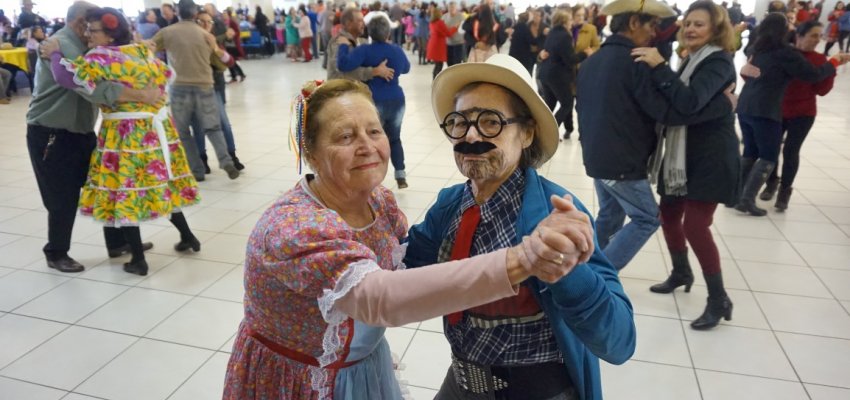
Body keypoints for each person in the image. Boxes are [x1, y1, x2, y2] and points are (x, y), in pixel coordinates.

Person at [222, 78, 593, 399]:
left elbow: (410, 262)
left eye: (374, 131)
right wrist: (522, 259)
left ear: (526, 133)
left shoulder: (378, 201)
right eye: (345, 137)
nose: (367, 146)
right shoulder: (293, 227)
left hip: (363, 367)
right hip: (304, 380)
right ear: (312, 154)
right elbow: (381, 297)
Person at [405, 54, 635, 400]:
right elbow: (401, 271)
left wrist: (567, 271)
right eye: (459, 122)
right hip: (461, 385)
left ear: (526, 133)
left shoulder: (556, 214)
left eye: (490, 122)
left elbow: (620, 340)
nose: (470, 135)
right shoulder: (450, 206)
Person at [576, 0, 737, 271]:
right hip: (623, 163)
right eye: (651, 25)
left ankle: (581, 270)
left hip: (595, 157)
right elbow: (672, 113)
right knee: (647, 218)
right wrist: (724, 104)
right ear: (633, 23)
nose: (654, 33)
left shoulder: (592, 61)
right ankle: (598, 278)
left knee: (610, 215)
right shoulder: (638, 62)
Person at [43, 7, 202, 276]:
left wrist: (55, 54)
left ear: (110, 35)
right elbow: (164, 78)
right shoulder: (140, 51)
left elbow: (66, 77)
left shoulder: (100, 56)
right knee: (161, 183)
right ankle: (188, 237)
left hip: (124, 132)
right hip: (155, 130)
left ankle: (138, 259)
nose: (88, 35)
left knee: (125, 190)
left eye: (93, 30)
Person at [26, 1, 160, 273]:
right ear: (80, 23)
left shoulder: (85, 46)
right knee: (62, 197)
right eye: (93, 26)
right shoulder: (63, 44)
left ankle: (118, 242)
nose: (94, 31)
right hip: (52, 133)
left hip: (81, 132)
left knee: (106, 186)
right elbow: (91, 86)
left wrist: (139, 49)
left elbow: (115, 63)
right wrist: (140, 95)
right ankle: (56, 252)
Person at [632, 0, 740, 330]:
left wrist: (660, 67)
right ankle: (681, 271)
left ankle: (719, 299)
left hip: (711, 157)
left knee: (695, 225)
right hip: (682, 156)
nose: (691, 29)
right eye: (688, 23)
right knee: (668, 215)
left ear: (716, 29)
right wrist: (718, 106)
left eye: (699, 24)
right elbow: (681, 108)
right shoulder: (692, 59)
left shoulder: (718, 61)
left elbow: (687, 102)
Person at [734, 13, 847, 216]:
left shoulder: (756, 49)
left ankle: (735, 195)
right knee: (768, 156)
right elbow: (813, 75)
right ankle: (746, 200)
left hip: (745, 106)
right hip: (766, 110)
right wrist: (833, 62)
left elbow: (748, 71)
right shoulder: (785, 53)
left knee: (750, 152)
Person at [151, 0, 241, 182]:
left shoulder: (167, 32)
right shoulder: (206, 35)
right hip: (205, 86)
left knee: (183, 131)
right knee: (213, 128)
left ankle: (197, 170)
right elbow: (224, 61)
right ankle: (225, 161)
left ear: (177, 12)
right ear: (195, 14)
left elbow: (149, 48)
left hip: (179, 87)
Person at [758, 21, 837, 211]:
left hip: (804, 112)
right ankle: (771, 182)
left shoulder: (820, 60)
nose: (817, 40)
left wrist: (830, 72)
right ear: (799, 36)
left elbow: (821, 90)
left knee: (791, 151)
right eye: (813, 35)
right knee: (771, 149)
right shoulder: (786, 54)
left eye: (820, 36)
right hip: (777, 109)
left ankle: (785, 191)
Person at [336, 16, 410, 189]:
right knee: (395, 138)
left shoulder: (365, 50)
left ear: (370, 32)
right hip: (397, 100)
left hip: (374, 101)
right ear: (388, 32)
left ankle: (374, 178)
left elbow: (343, 65)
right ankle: (400, 175)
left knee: (372, 141)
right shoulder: (396, 50)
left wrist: (343, 45)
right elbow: (406, 68)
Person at [193, 9, 246, 173]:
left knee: (223, 123)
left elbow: (229, 62)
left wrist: (215, 48)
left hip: (214, 86)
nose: (206, 25)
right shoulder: (190, 41)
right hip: (194, 89)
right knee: (198, 125)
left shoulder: (214, 40)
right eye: (201, 21)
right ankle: (201, 160)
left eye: (209, 22)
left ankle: (232, 157)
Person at [539, 10, 590, 141]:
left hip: (545, 74)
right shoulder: (565, 36)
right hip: (557, 76)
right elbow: (570, 59)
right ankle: (551, 133)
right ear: (564, 21)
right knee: (567, 103)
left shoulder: (552, 33)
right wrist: (585, 54)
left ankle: (540, 131)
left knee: (549, 105)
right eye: (570, 20)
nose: (571, 22)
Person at [327, 7, 394, 82]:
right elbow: (340, 71)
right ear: (349, 24)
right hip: (341, 88)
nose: (364, 24)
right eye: (360, 21)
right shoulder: (338, 42)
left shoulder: (362, 41)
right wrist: (374, 71)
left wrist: (383, 44)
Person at [508, 8, 547, 74]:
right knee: (527, 73)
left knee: (538, 73)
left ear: (541, 17)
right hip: (526, 55)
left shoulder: (545, 27)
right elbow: (530, 40)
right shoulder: (527, 26)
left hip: (538, 54)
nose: (535, 17)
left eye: (538, 15)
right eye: (534, 15)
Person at [426, 6, 458, 78]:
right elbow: (448, 34)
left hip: (433, 44)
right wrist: (455, 27)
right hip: (438, 46)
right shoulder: (440, 23)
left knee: (437, 65)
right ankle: (435, 81)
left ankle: (434, 80)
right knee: (439, 65)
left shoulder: (432, 22)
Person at [443, 2, 466, 66]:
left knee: (457, 63)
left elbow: (465, 29)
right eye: (450, 7)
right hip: (448, 43)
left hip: (459, 43)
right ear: (448, 8)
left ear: (456, 8)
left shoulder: (461, 16)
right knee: (449, 63)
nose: (451, 9)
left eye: (453, 7)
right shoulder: (444, 17)